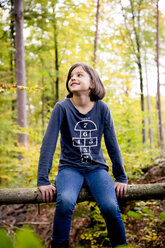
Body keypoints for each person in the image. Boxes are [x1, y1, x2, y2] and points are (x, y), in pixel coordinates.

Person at [37, 63, 127, 248]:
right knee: (66, 201)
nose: (73, 78)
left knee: (110, 206)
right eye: (71, 75)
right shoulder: (62, 108)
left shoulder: (102, 109)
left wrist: (121, 177)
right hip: (70, 169)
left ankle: (122, 246)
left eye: (79, 75)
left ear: (92, 83)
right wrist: (43, 180)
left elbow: (112, 144)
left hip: (96, 169)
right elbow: (48, 144)